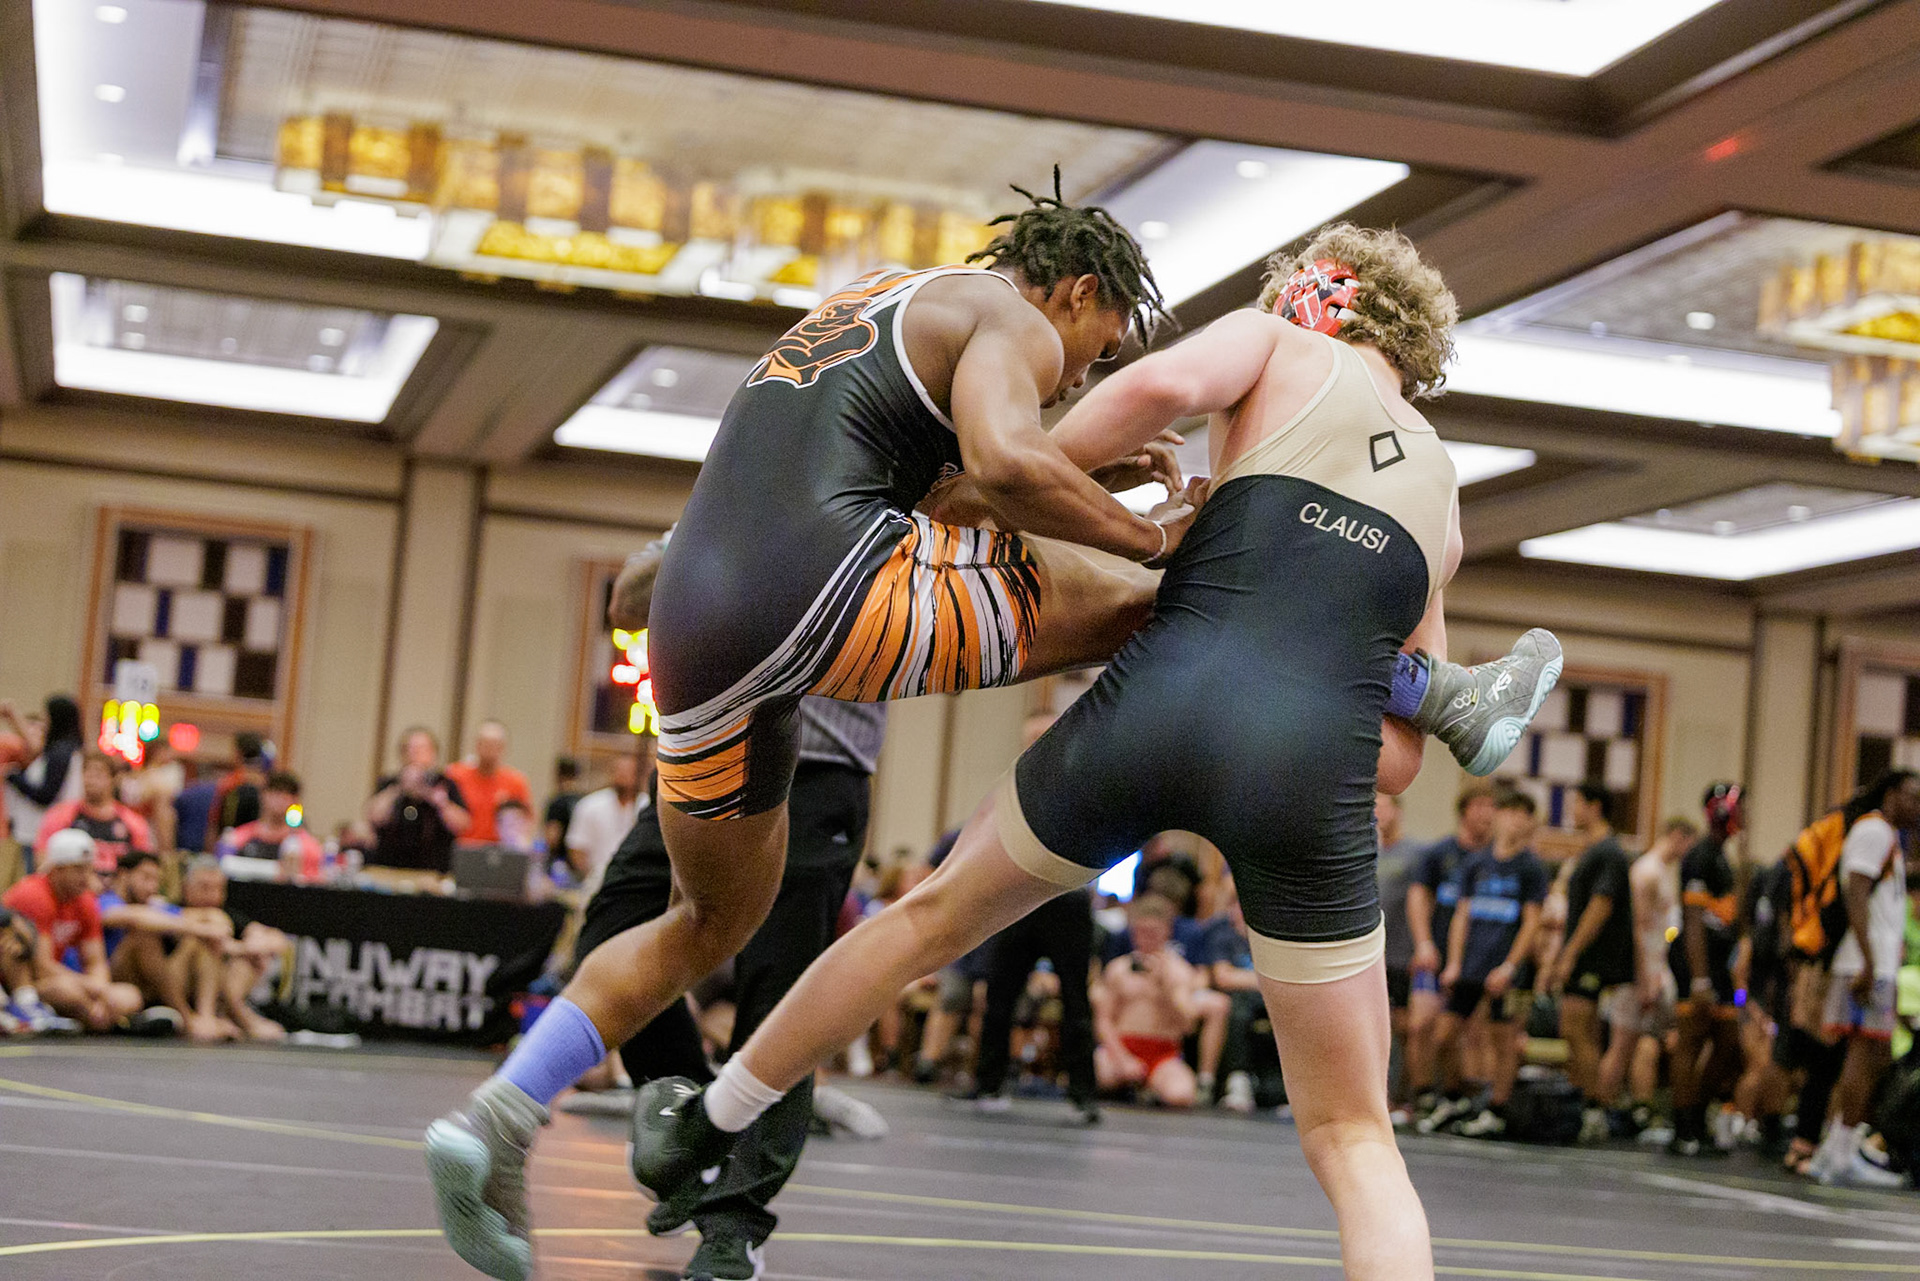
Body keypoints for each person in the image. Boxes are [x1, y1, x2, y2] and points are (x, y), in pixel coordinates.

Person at [430, 197, 1557, 1280]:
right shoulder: (1011, 319)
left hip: (701, 617)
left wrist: (1096, 476)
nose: (1076, 376)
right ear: (1075, 293)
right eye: (1089, 351)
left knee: (713, 919)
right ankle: (1434, 687)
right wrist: (1152, 535)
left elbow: (963, 474)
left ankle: (505, 1114)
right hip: (857, 598)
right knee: (1168, 601)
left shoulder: (868, 304)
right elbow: (1009, 469)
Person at [1806, 768, 1918, 1186]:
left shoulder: (1887, 836)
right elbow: (1855, 891)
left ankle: (1836, 1148)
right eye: (1912, 797)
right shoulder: (1874, 831)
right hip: (1865, 964)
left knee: (1870, 1057)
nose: (1918, 807)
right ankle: (1839, 1152)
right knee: (1864, 1057)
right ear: (1891, 794)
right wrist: (1870, 962)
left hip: (1873, 962)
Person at [1423, 791, 1550, 1139]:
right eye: (1508, 812)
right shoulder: (1476, 864)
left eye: (1522, 814)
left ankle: (1497, 1109)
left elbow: (1532, 922)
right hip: (1472, 965)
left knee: (1503, 1040)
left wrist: (1510, 966)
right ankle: (1455, 1099)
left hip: (1509, 972)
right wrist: (1454, 963)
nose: (1514, 820)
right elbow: (1461, 916)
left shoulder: (1531, 868)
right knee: (1444, 1034)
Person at [1397, 781, 1495, 1125]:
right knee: (1421, 1025)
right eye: (1479, 806)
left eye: (1491, 807)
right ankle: (1423, 1095)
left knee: (1469, 1032)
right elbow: (1417, 897)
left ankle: (1461, 1098)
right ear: (1464, 811)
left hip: (1477, 959)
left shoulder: (1497, 859)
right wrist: (1423, 942)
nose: (1486, 814)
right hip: (1436, 954)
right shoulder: (1441, 853)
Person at [1546, 781, 1636, 1144]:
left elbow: (1600, 906)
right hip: (1586, 957)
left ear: (1595, 806)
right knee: (1583, 1032)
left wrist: (1570, 954)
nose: (1572, 810)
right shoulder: (1592, 851)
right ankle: (1585, 1106)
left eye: (1577, 803)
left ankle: (1597, 1108)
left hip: (1594, 958)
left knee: (1574, 1028)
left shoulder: (1608, 853)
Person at [1667, 782, 1746, 1156]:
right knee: (1692, 1039)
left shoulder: (1722, 857)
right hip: (1696, 962)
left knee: (1729, 1042)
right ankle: (1683, 1127)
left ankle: (1698, 1115)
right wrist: (1699, 979)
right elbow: (1694, 920)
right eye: (1741, 808)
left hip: (1719, 964)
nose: (1745, 816)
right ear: (1722, 812)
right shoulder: (1699, 856)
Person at [1, 829, 144, 1029]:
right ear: (57, 869)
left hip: (61, 980)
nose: (86, 877)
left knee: (130, 995)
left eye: (89, 869)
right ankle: (111, 1020)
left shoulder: (84, 900)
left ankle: (96, 1016)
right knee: (67, 991)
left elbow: (95, 962)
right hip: (26, 982)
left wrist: (99, 991)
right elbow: (42, 967)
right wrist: (92, 989)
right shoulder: (34, 894)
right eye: (78, 869)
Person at [98, 850, 244, 1042]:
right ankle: (188, 1019)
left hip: (152, 984)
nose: (152, 887)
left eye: (156, 880)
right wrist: (198, 928)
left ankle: (206, 1016)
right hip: (115, 980)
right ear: (124, 875)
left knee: (203, 940)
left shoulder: (153, 906)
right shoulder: (106, 900)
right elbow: (134, 917)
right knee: (144, 936)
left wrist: (213, 927)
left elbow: (212, 917)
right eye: (146, 878)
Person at [1090, 892, 1205, 1107]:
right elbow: (1104, 1020)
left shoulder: (1179, 972)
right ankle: (1130, 1084)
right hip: (1122, 1045)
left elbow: (1188, 1025)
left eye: (1152, 932)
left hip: (1163, 1053)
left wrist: (1166, 988)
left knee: (1180, 1095)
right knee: (1099, 1073)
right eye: (1140, 932)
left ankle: (1148, 1087)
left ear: (1166, 931)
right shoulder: (1119, 969)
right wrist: (1122, 1058)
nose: (1145, 939)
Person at [1626, 816, 1695, 1135]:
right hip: (1649, 967)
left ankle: (1643, 1108)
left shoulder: (1663, 871)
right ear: (1678, 836)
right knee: (1645, 1039)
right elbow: (1639, 927)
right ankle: (1640, 1109)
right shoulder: (1648, 871)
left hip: (1660, 964)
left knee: (1653, 1038)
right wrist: (1647, 975)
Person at [177, 856, 290, 1041]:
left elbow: (277, 939)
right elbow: (216, 934)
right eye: (205, 887)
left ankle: (227, 1013)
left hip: (220, 991)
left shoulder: (227, 913)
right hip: (181, 989)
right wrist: (236, 946)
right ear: (186, 887)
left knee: (247, 961)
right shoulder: (175, 910)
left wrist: (253, 945)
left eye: (218, 889)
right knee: (205, 945)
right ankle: (223, 1017)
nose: (213, 895)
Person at [1374, 791, 1422, 1108]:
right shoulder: (1368, 851)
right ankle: (1382, 1097)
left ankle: (1405, 1098)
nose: (1377, 812)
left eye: (1383, 806)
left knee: (1404, 1027)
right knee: (1378, 1027)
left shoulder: (1415, 854)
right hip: (1372, 955)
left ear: (1398, 811)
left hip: (1402, 954)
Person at [366, 728, 471, 873]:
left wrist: (434, 798)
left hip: (433, 870)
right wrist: (399, 788)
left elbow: (464, 825)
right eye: (409, 749)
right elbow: (373, 817)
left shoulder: (444, 784)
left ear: (433, 753)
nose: (414, 754)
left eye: (420, 749)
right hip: (388, 866)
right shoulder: (390, 783)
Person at [34, 751, 155, 873]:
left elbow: (143, 866)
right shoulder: (60, 815)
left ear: (113, 779)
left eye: (98, 774)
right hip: (76, 883)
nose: (91, 781)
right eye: (87, 774)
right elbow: (43, 860)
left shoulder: (133, 823)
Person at [4, 695, 84, 860]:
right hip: (42, 830)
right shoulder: (63, 750)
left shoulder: (60, 753)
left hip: (43, 832)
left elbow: (45, 795)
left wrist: (14, 777)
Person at [565, 747, 650, 899]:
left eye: (628, 772)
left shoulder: (647, 807)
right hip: (596, 884)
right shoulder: (590, 805)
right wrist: (591, 877)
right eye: (619, 771)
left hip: (635, 887)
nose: (623, 776)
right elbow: (577, 848)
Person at [446, 721, 534, 847]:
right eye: (485, 744)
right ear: (477, 745)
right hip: (463, 846)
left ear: (503, 748)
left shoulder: (516, 781)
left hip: (500, 849)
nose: (490, 750)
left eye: (495, 745)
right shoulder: (455, 775)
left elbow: (527, 820)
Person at [216, 771, 322, 867]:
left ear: (296, 800)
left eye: (288, 794)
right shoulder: (236, 839)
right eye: (276, 792)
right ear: (263, 795)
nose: (281, 799)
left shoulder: (307, 847)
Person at [542, 757, 583, 871]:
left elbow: (552, 836)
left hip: (560, 863)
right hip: (578, 863)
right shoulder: (583, 801)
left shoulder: (557, 802)